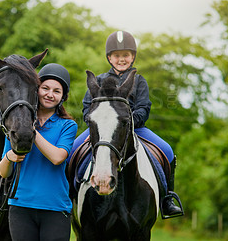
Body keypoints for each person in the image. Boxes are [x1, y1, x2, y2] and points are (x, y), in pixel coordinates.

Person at [77, 30, 183, 217]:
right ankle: (70, 193)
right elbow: (87, 107)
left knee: (167, 150)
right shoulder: (99, 80)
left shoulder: (139, 81)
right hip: (101, 131)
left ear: (132, 56)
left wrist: (126, 123)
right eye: (117, 55)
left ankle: (167, 199)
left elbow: (143, 107)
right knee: (72, 151)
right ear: (109, 58)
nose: (121, 59)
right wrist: (94, 120)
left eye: (125, 55)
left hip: (135, 129)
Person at [0, 63, 78, 241]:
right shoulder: (15, 125)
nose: (50, 94)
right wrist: (10, 157)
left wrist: (31, 131)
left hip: (55, 209)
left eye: (57, 91)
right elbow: (4, 172)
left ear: (63, 97)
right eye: (45, 88)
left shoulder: (68, 125)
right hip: (20, 207)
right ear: (36, 90)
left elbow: (57, 158)